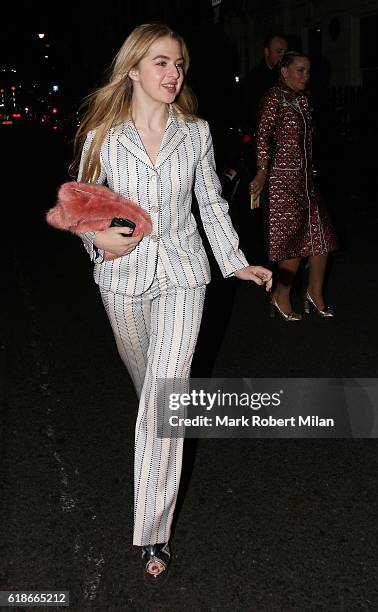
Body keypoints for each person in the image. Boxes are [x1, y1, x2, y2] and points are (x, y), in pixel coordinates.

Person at [71, 23, 272, 579]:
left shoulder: (197, 132)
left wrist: (233, 261)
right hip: (123, 279)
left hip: (185, 274)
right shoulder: (103, 136)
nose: (173, 73)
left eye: (178, 63)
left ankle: (152, 534)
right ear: (133, 69)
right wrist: (98, 241)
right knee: (150, 392)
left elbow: (210, 201)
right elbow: (80, 205)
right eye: (161, 62)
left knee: (163, 399)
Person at [250, 51, 337, 321]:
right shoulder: (274, 98)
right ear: (284, 71)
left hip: (306, 179)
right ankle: (281, 295)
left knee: (322, 237)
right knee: (294, 242)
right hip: (282, 180)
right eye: (300, 70)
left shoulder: (302, 100)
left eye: (308, 71)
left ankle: (314, 293)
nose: (306, 76)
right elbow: (263, 136)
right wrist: (263, 171)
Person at [242, 31, 288, 131]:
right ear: (267, 51)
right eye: (279, 51)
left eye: (285, 52)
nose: (283, 56)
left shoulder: (289, 75)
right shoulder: (254, 77)